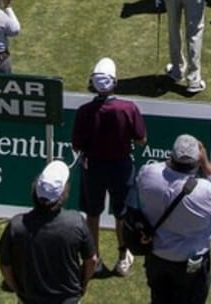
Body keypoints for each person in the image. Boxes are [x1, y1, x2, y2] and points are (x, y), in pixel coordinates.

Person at [71, 57, 146, 277]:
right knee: (121, 214)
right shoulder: (128, 108)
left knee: (93, 214)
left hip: (93, 168)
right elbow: (141, 139)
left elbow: (76, 145)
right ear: (114, 82)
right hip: (120, 167)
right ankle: (123, 258)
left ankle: (94, 259)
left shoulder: (84, 111)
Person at [134, 135, 211, 304]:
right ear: (196, 162)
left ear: (171, 156)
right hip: (189, 264)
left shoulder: (148, 173)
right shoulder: (205, 191)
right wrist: (206, 164)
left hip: (156, 257)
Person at [0, 159, 96, 304]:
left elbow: (5, 265)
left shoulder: (16, 226)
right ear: (63, 193)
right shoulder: (76, 222)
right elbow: (91, 260)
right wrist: (83, 286)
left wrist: (18, 291)